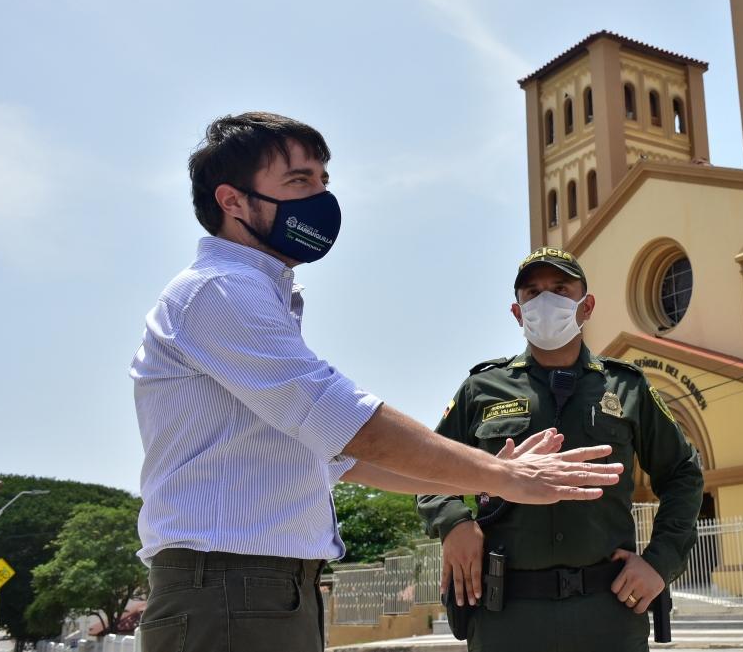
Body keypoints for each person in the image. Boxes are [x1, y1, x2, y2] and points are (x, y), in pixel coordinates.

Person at [130, 113, 625, 652]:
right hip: (227, 589)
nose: (320, 197)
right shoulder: (222, 292)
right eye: (299, 181)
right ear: (232, 201)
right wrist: (504, 477)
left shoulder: (256, 296)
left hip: (262, 588)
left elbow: (343, 459)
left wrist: (488, 478)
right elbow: (343, 420)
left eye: (323, 181)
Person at [417, 247, 704, 652]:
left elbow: (683, 474)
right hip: (508, 617)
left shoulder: (627, 387)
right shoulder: (481, 389)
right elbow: (430, 469)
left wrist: (660, 562)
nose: (545, 300)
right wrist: (454, 522)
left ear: (585, 306)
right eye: (531, 293)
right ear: (517, 313)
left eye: (559, 288)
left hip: (608, 611)